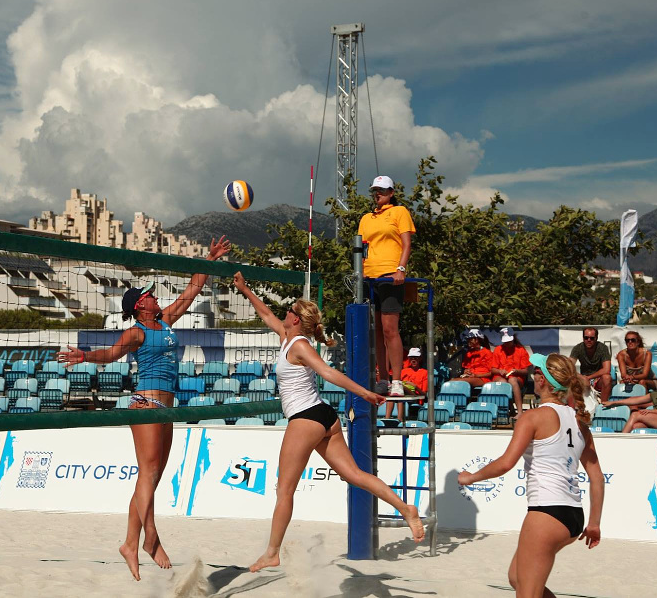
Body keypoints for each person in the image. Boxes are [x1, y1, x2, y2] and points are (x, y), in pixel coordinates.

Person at [58, 236, 230, 581]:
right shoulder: (135, 332)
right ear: (139, 306)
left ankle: (129, 543)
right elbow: (111, 354)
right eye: (149, 294)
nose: (154, 295)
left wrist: (209, 261)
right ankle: (151, 539)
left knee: (151, 478)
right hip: (146, 404)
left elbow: (191, 292)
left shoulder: (165, 320)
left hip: (167, 407)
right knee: (148, 476)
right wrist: (84, 355)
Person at [232, 271, 425, 572]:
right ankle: (406, 509)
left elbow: (328, 373)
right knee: (355, 475)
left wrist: (364, 392)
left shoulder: (300, 346)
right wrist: (245, 289)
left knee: (284, 491)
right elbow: (265, 312)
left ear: (296, 319)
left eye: (290, 310)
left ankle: (272, 552)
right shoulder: (288, 338)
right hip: (323, 416)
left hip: (306, 418)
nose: (284, 312)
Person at [458, 353, 603, 598]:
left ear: (541, 380)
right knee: (517, 577)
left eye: (537, 372)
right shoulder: (579, 422)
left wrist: (470, 477)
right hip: (573, 517)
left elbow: (505, 464)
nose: (533, 375)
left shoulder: (532, 417)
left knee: (526, 593)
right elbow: (597, 478)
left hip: (546, 513)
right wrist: (594, 524)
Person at [357, 175, 416, 399]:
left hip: (390, 275)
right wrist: (360, 270)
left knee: (391, 329)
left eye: (382, 190)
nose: (377, 193)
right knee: (376, 332)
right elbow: (362, 247)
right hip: (369, 277)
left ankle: (397, 380)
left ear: (391, 192)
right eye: (375, 190)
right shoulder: (366, 218)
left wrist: (401, 268)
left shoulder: (399, 212)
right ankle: (382, 379)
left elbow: (406, 243)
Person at [603, 362, 657, 434]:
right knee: (635, 427)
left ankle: (619, 440)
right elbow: (635, 400)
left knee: (635, 414)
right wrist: (613, 403)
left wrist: (651, 411)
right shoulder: (656, 393)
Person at [490, 328, 533, 418]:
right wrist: (500, 371)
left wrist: (516, 371)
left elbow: (525, 371)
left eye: (509, 341)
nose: (507, 344)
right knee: (503, 383)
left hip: (517, 378)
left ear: (513, 339)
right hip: (501, 376)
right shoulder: (498, 350)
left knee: (512, 380)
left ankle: (520, 411)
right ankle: (509, 409)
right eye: (505, 342)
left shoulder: (521, 350)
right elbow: (493, 369)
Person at [568, 326, 613, 402]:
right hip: (583, 378)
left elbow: (606, 369)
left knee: (607, 378)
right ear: (583, 338)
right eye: (586, 338)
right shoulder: (578, 348)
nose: (589, 340)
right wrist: (581, 377)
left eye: (592, 338)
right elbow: (569, 366)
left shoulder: (602, 348)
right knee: (569, 378)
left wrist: (588, 378)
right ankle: (574, 406)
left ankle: (603, 406)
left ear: (596, 338)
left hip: (598, 379)